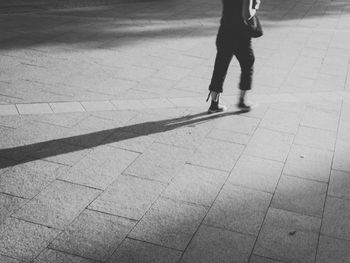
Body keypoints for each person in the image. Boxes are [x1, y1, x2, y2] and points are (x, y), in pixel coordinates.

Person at [207, 0, 260, 113]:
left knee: (220, 66)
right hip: (241, 35)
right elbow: (247, 14)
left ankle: (214, 104)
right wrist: (255, 6)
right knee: (248, 63)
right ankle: (242, 101)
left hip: (224, 31)